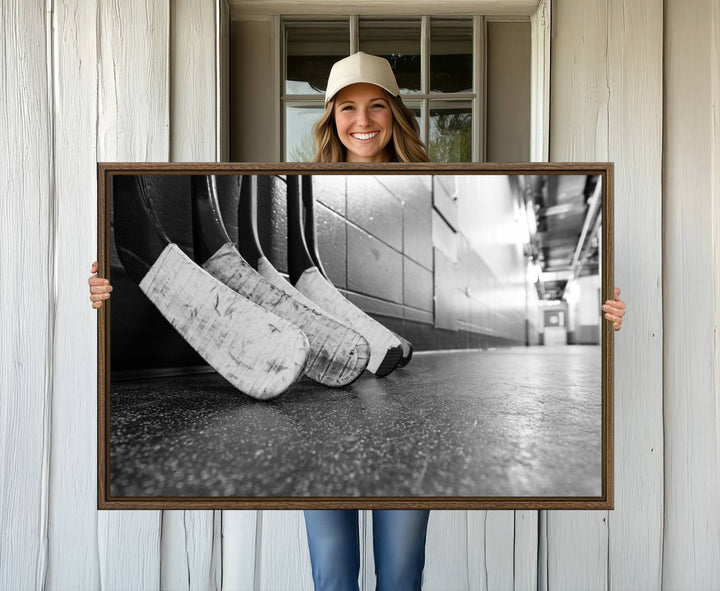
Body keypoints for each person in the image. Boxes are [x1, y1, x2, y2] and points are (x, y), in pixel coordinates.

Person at [88, 51, 627, 591]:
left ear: (396, 114)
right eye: (347, 108)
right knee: (333, 574)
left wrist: (607, 313)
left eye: (376, 107)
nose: (362, 122)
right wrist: (100, 290)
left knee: (400, 573)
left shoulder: (435, 176)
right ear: (331, 118)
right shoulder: (303, 177)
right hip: (317, 428)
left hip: (409, 436)